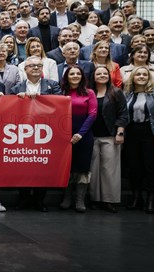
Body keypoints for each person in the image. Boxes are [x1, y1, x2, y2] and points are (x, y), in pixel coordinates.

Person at [10, 56, 61, 212]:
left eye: (39, 65)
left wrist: (40, 98)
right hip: (22, 133)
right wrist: (17, 100)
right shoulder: (16, 88)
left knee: (42, 167)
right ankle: (23, 199)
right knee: (23, 166)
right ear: (25, 69)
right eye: (32, 66)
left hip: (46, 132)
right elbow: (9, 108)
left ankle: (40, 200)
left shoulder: (53, 85)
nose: (36, 68)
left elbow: (59, 103)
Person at [123, 66, 154, 214]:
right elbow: (123, 114)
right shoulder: (127, 93)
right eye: (138, 75)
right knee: (134, 167)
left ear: (149, 77)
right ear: (133, 78)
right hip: (132, 132)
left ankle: (150, 201)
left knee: (151, 167)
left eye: (144, 75)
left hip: (150, 132)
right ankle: (137, 198)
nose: (141, 77)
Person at [89, 65, 128, 213]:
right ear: (93, 76)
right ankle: (95, 199)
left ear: (109, 76)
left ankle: (109, 200)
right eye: (98, 73)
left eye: (104, 73)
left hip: (110, 136)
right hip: (92, 136)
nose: (101, 76)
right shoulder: (89, 92)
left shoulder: (116, 92)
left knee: (109, 170)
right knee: (94, 169)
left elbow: (123, 114)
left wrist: (120, 132)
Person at [59, 65, 98, 213]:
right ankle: (67, 198)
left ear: (82, 76)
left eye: (78, 74)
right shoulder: (61, 92)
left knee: (82, 168)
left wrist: (80, 133)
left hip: (84, 135)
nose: (75, 76)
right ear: (67, 77)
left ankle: (79, 199)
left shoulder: (89, 93)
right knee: (67, 167)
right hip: (63, 135)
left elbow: (92, 114)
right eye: (72, 74)